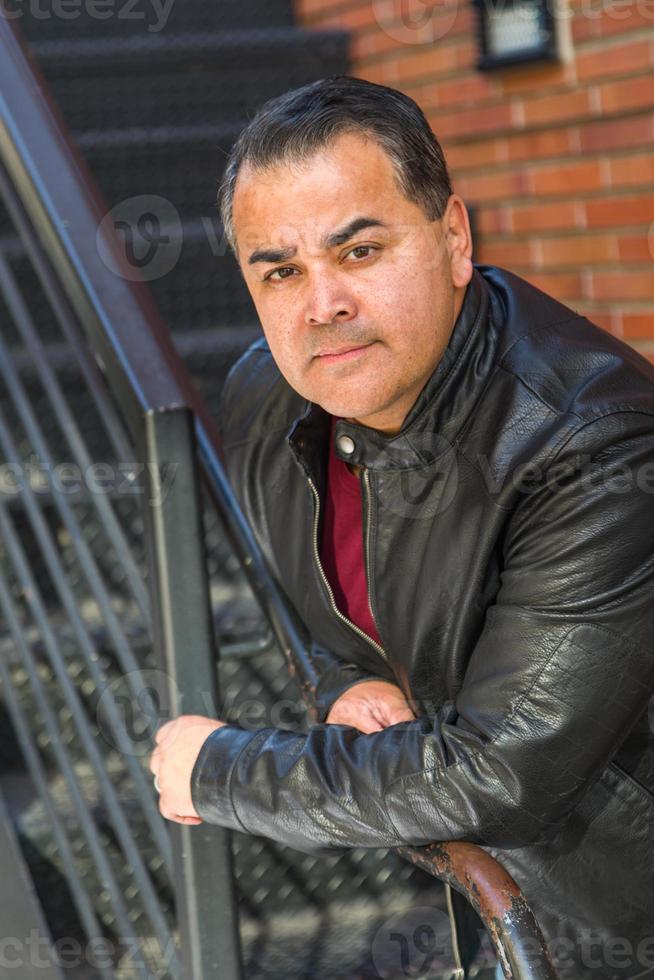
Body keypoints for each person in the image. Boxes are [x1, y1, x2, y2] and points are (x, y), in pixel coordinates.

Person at [149, 75, 654, 979]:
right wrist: (345, 685)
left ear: (454, 238)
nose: (321, 304)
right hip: (505, 908)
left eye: (360, 250)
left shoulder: (595, 447)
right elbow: (336, 611)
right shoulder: (272, 398)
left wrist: (222, 770)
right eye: (281, 269)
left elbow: (503, 774)